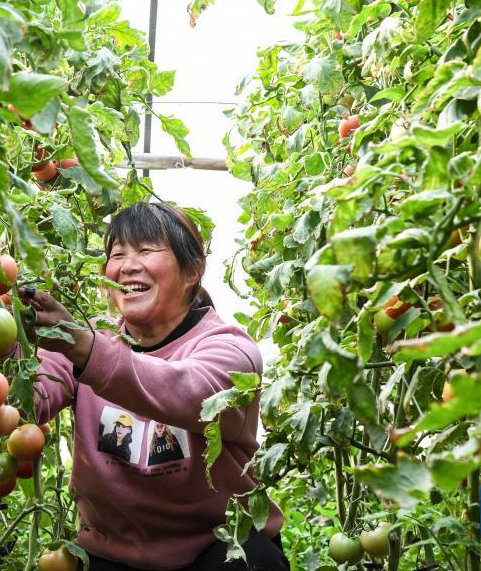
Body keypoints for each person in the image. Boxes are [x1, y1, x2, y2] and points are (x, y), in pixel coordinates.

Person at [16, 201, 288, 571]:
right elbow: (27, 400)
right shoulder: (89, 338)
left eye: (146, 250)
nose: (128, 265)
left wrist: (83, 348)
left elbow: (193, 394)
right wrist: (5, 337)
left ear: (192, 271)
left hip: (218, 545)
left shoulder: (230, 349)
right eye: (117, 255)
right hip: (112, 553)